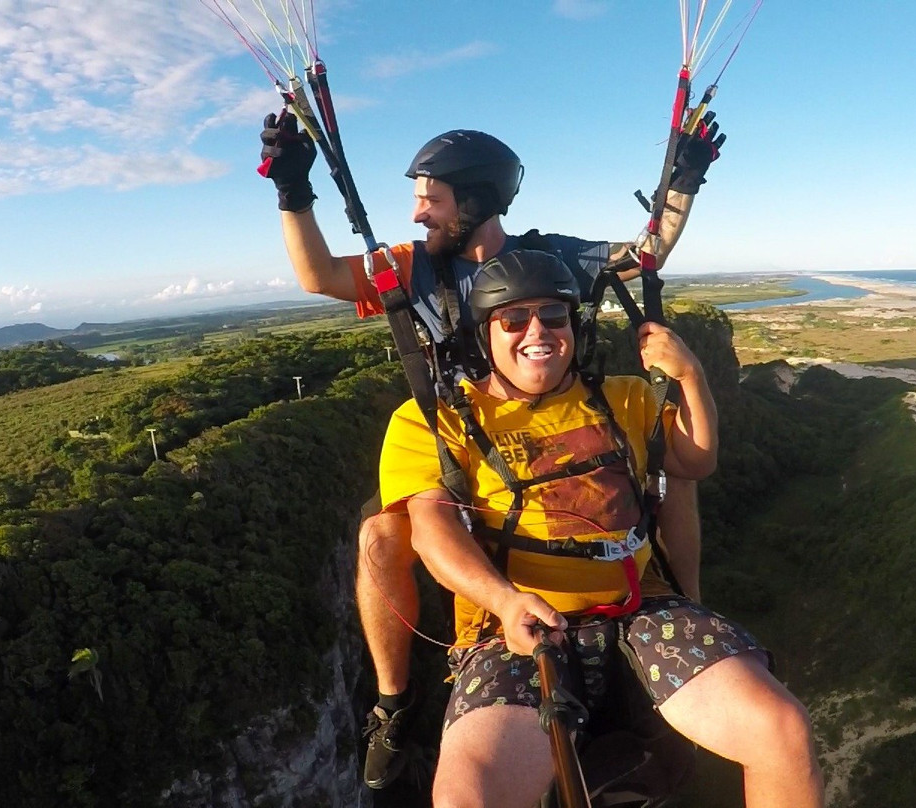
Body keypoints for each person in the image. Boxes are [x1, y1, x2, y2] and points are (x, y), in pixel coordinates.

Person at [260, 116, 724, 788]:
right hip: (462, 450)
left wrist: (683, 181)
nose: (420, 211)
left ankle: (682, 602)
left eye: (434, 198)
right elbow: (320, 274)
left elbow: (645, 250)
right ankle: (394, 701)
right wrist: (293, 192)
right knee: (379, 534)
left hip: (552, 435)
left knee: (670, 475)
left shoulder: (550, 258)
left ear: (474, 202)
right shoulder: (413, 267)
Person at [378, 250, 825, 808]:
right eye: (513, 320)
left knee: (781, 730)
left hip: (638, 606)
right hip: (512, 626)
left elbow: (694, 462)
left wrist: (690, 374)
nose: (536, 331)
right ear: (484, 336)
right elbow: (430, 526)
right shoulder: (437, 419)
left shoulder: (623, 397)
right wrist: (505, 600)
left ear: (575, 327)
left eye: (553, 316)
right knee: (467, 797)